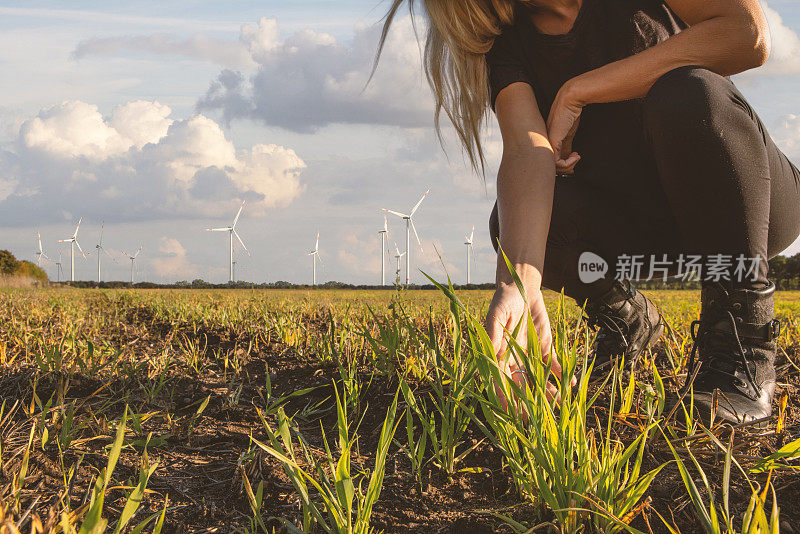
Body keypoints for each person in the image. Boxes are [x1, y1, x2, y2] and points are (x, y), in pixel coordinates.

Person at [376, 0, 800, 423]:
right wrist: (518, 284)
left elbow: (748, 34)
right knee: (518, 229)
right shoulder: (505, 44)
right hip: (649, 225)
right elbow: (527, 151)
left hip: (746, 210)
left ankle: (744, 352)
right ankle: (628, 320)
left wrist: (578, 91)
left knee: (687, 91)